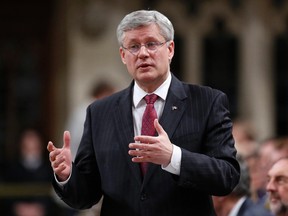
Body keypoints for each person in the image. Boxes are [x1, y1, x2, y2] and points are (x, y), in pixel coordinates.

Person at [47, 10, 240, 216]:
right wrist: (67, 175)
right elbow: (86, 196)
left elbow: (227, 176)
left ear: (170, 49)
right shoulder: (99, 112)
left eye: (151, 44)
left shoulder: (207, 101)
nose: (143, 53)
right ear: (123, 55)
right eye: (133, 46)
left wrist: (173, 157)